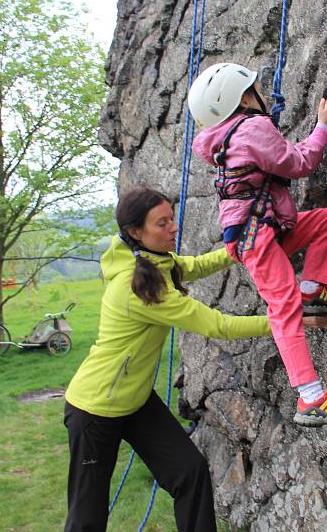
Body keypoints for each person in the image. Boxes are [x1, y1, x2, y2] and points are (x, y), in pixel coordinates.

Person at [63, 187, 273, 532]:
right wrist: (286, 320)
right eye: (162, 223)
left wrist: (235, 251)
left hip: (135, 401)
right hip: (96, 409)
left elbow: (192, 265)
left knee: (189, 472)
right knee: (88, 517)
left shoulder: (154, 260)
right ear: (135, 232)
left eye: (171, 219)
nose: (174, 228)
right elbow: (219, 325)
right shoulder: (139, 286)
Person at [188, 63, 327, 428]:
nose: (264, 93)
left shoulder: (227, 137)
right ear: (243, 99)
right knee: (283, 309)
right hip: (260, 235)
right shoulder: (252, 128)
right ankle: (311, 396)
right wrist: (324, 125)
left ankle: (313, 288)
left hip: (260, 231)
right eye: (257, 88)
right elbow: (299, 163)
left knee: (325, 221)